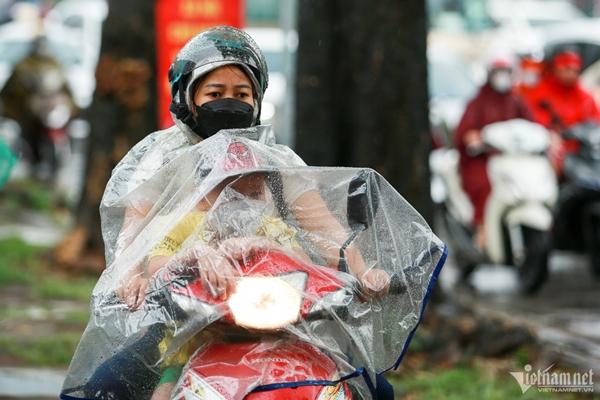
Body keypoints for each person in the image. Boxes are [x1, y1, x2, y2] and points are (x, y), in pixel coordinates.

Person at [86, 26, 393, 400]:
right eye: (215, 94)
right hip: (185, 322)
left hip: (278, 319)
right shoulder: (160, 160)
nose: (229, 103)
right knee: (105, 386)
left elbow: (326, 232)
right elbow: (135, 239)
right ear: (188, 98)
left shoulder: (276, 163)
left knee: (375, 391)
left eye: (242, 94)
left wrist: (362, 272)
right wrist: (132, 275)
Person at [454, 57, 533, 248]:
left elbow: (531, 125)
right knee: (485, 186)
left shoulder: (516, 100)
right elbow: (464, 132)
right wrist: (474, 138)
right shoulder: (478, 102)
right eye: (498, 73)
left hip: (511, 159)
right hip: (482, 159)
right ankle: (483, 228)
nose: (502, 77)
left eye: (505, 72)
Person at [523, 50, 600, 173]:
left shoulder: (584, 96)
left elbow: (595, 122)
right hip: (548, 148)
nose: (571, 74)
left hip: (580, 151)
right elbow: (530, 117)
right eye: (566, 69)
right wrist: (549, 133)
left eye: (574, 70)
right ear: (556, 69)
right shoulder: (540, 91)